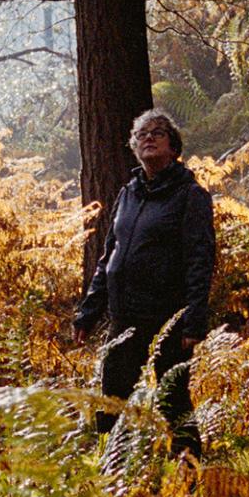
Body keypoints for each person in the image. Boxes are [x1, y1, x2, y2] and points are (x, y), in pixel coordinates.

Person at [74, 108, 215, 454]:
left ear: (173, 146)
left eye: (157, 133)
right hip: (125, 318)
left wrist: (194, 321)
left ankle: (189, 475)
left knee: (172, 401)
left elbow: (201, 260)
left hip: (169, 321)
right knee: (111, 401)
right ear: (134, 147)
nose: (148, 138)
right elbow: (109, 257)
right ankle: (111, 472)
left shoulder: (190, 195)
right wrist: (88, 312)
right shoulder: (129, 194)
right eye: (142, 135)